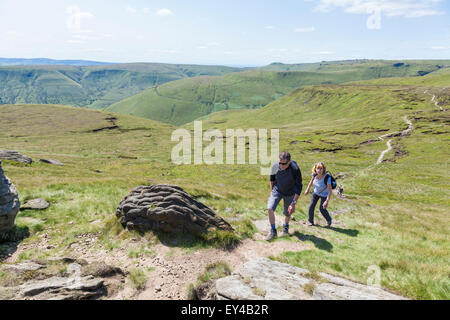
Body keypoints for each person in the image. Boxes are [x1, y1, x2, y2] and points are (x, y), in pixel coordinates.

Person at [266, 151, 302, 241]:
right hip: (277, 190)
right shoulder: (275, 166)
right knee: (270, 208)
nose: (281, 165)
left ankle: (285, 226)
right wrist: (272, 193)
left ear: (289, 162)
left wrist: (293, 203)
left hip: (290, 192)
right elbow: (272, 180)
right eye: (280, 163)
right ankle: (273, 231)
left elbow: (299, 187)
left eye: (284, 164)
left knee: (288, 212)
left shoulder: (295, 169)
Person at [304, 162, 332, 227]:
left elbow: (330, 191)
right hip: (316, 192)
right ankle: (310, 221)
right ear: (315, 169)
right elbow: (311, 182)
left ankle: (329, 219)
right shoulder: (314, 175)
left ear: (323, 169)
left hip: (325, 194)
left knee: (322, 209)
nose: (319, 170)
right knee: (311, 206)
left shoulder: (327, 178)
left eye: (321, 168)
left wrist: (326, 201)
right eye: (318, 168)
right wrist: (307, 189)